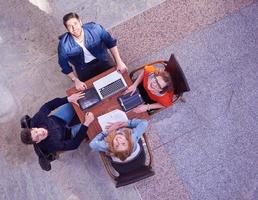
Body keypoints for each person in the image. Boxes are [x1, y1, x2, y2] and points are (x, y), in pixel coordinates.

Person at [58, 12, 128, 91]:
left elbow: (110, 43)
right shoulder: (64, 45)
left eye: (75, 23)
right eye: (70, 26)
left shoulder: (95, 28)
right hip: (83, 70)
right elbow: (63, 65)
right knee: (95, 93)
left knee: (118, 85)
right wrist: (75, 80)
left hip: (104, 61)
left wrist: (119, 62)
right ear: (67, 29)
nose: (74, 28)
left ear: (80, 22)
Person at [20, 92, 95, 155]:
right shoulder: (52, 146)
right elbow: (74, 144)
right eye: (37, 137)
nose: (40, 133)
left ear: (34, 128)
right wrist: (86, 124)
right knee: (93, 124)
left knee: (77, 100)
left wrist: (68, 99)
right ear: (38, 142)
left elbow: (48, 106)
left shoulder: (36, 120)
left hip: (58, 119)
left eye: (36, 131)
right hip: (67, 134)